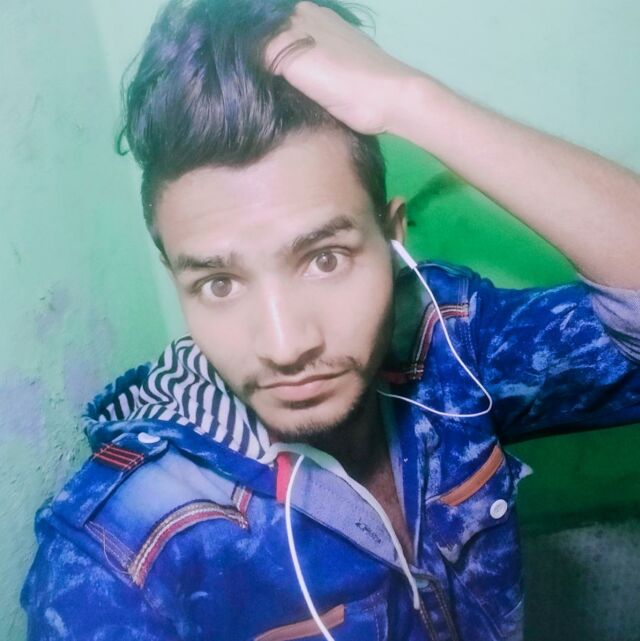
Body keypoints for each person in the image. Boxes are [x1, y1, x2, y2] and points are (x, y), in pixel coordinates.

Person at [21, 1, 640, 639]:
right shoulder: (120, 558)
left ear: (394, 240)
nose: (285, 346)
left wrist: (414, 101)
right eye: (218, 282)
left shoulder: (450, 346)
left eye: (325, 259)